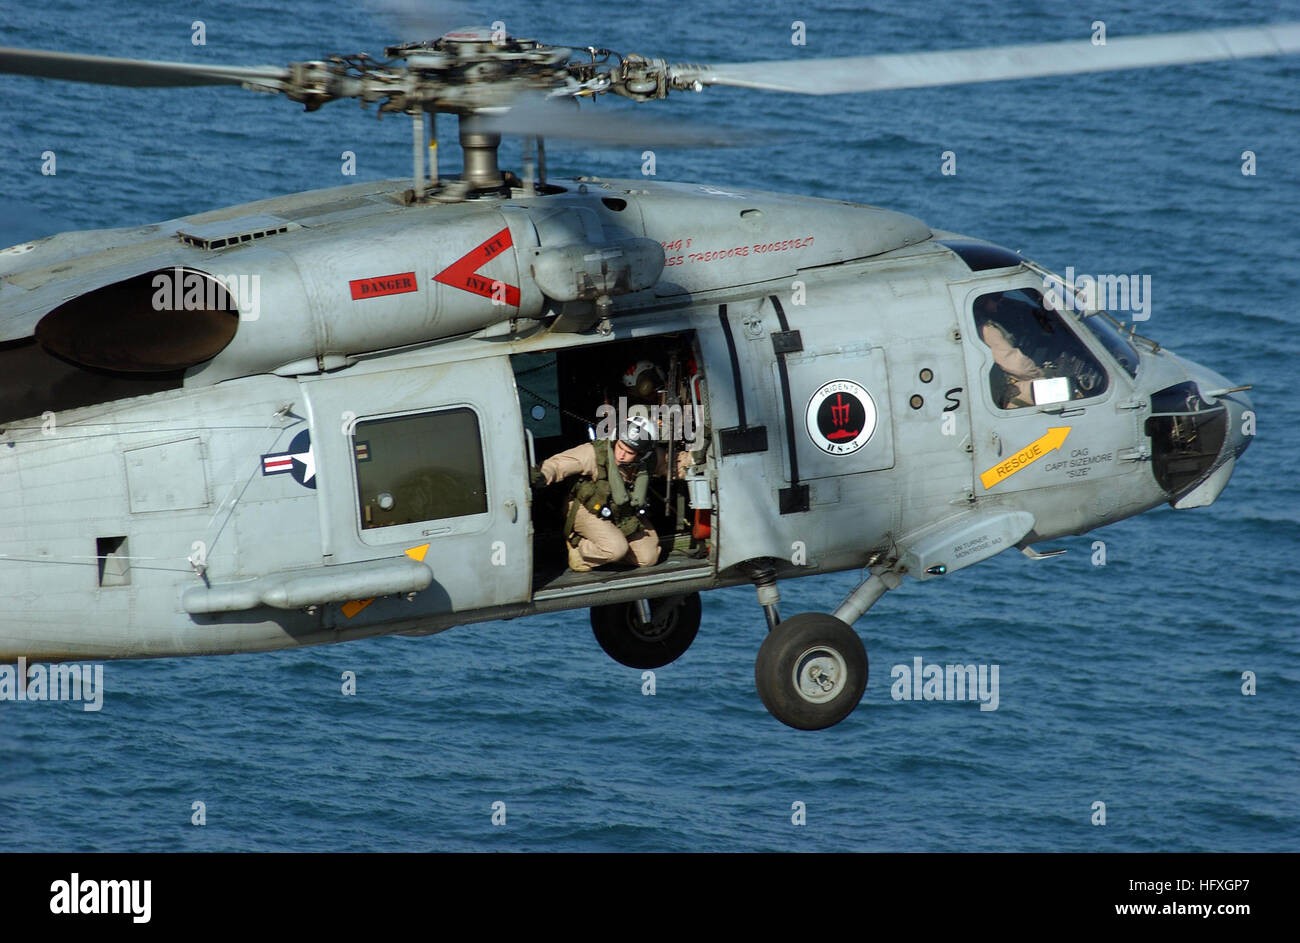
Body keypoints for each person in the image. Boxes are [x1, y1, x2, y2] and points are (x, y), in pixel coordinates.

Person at [530, 415, 690, 573]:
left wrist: (695, 459)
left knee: (648, 557)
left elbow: (674, 463)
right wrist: (541, 475)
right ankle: (579, 549)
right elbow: (557, 465)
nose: (621, 455)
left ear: (642, 454)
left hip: (621, 512)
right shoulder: (594, 453)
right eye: (620, 447)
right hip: (587, 509)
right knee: (615, 549)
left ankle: (607, 550)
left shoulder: (648, 460)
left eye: (629, 452)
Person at [975, 293, 1045, 409]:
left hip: (994, 388)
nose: (1001, 301)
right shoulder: (986, 331)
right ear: (982, 302)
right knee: (1062, 388)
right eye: (996, 298)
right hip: (1003, 392)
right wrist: (1041, 373)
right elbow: (1018, 367)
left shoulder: (974, 326)